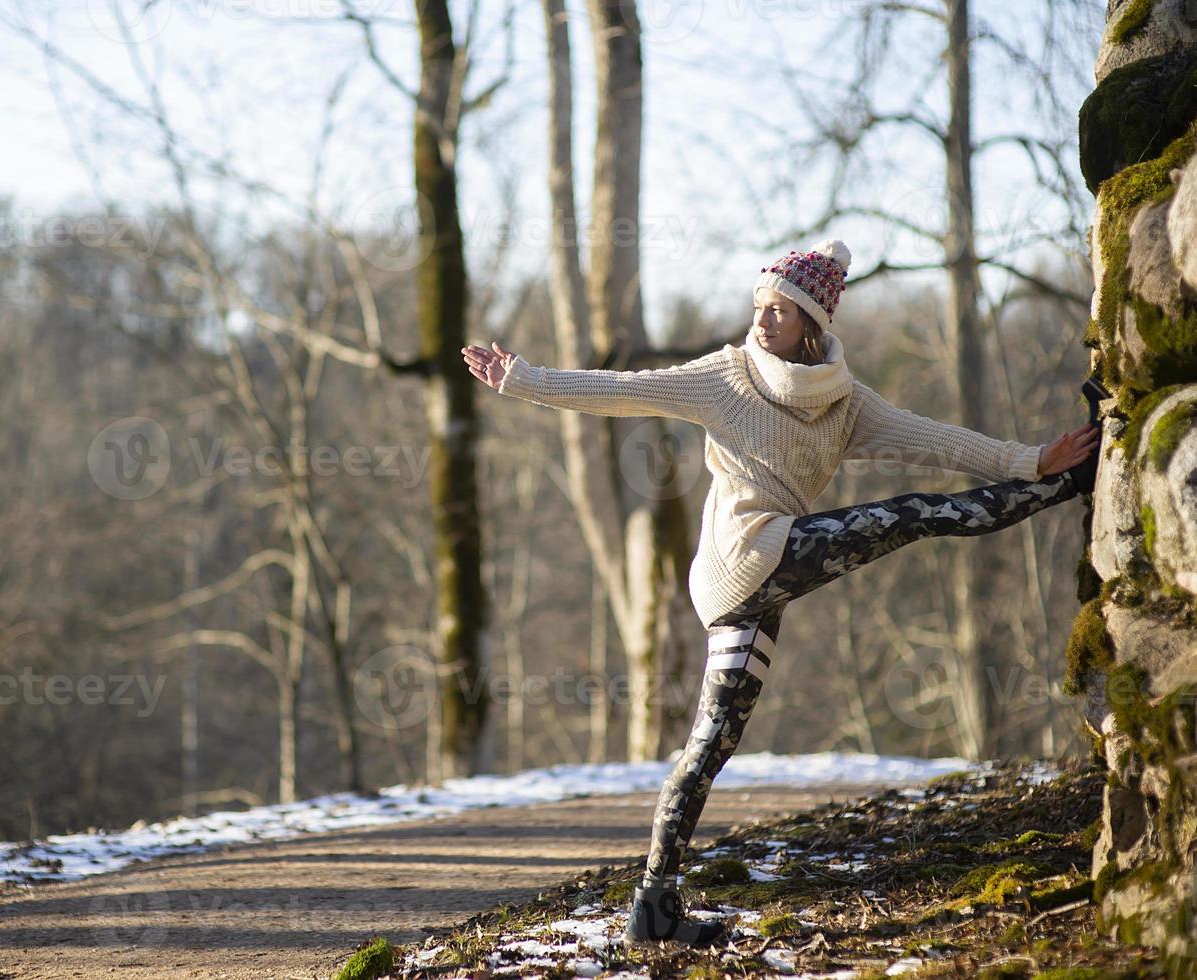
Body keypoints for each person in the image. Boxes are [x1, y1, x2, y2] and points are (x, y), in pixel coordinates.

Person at [460, 239, 1102, 948]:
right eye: (759, 307)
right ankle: (1073, 484)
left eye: (780, 311)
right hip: (746, 556)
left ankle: (654, 906)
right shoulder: (726, 378)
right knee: (913, 516)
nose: (762, 321)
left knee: (710, 746)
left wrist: (1024, 456)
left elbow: (936, 441)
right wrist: (522, 378)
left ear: (812, 324)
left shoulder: (843, 403)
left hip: (758, 585)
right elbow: (622, 389)